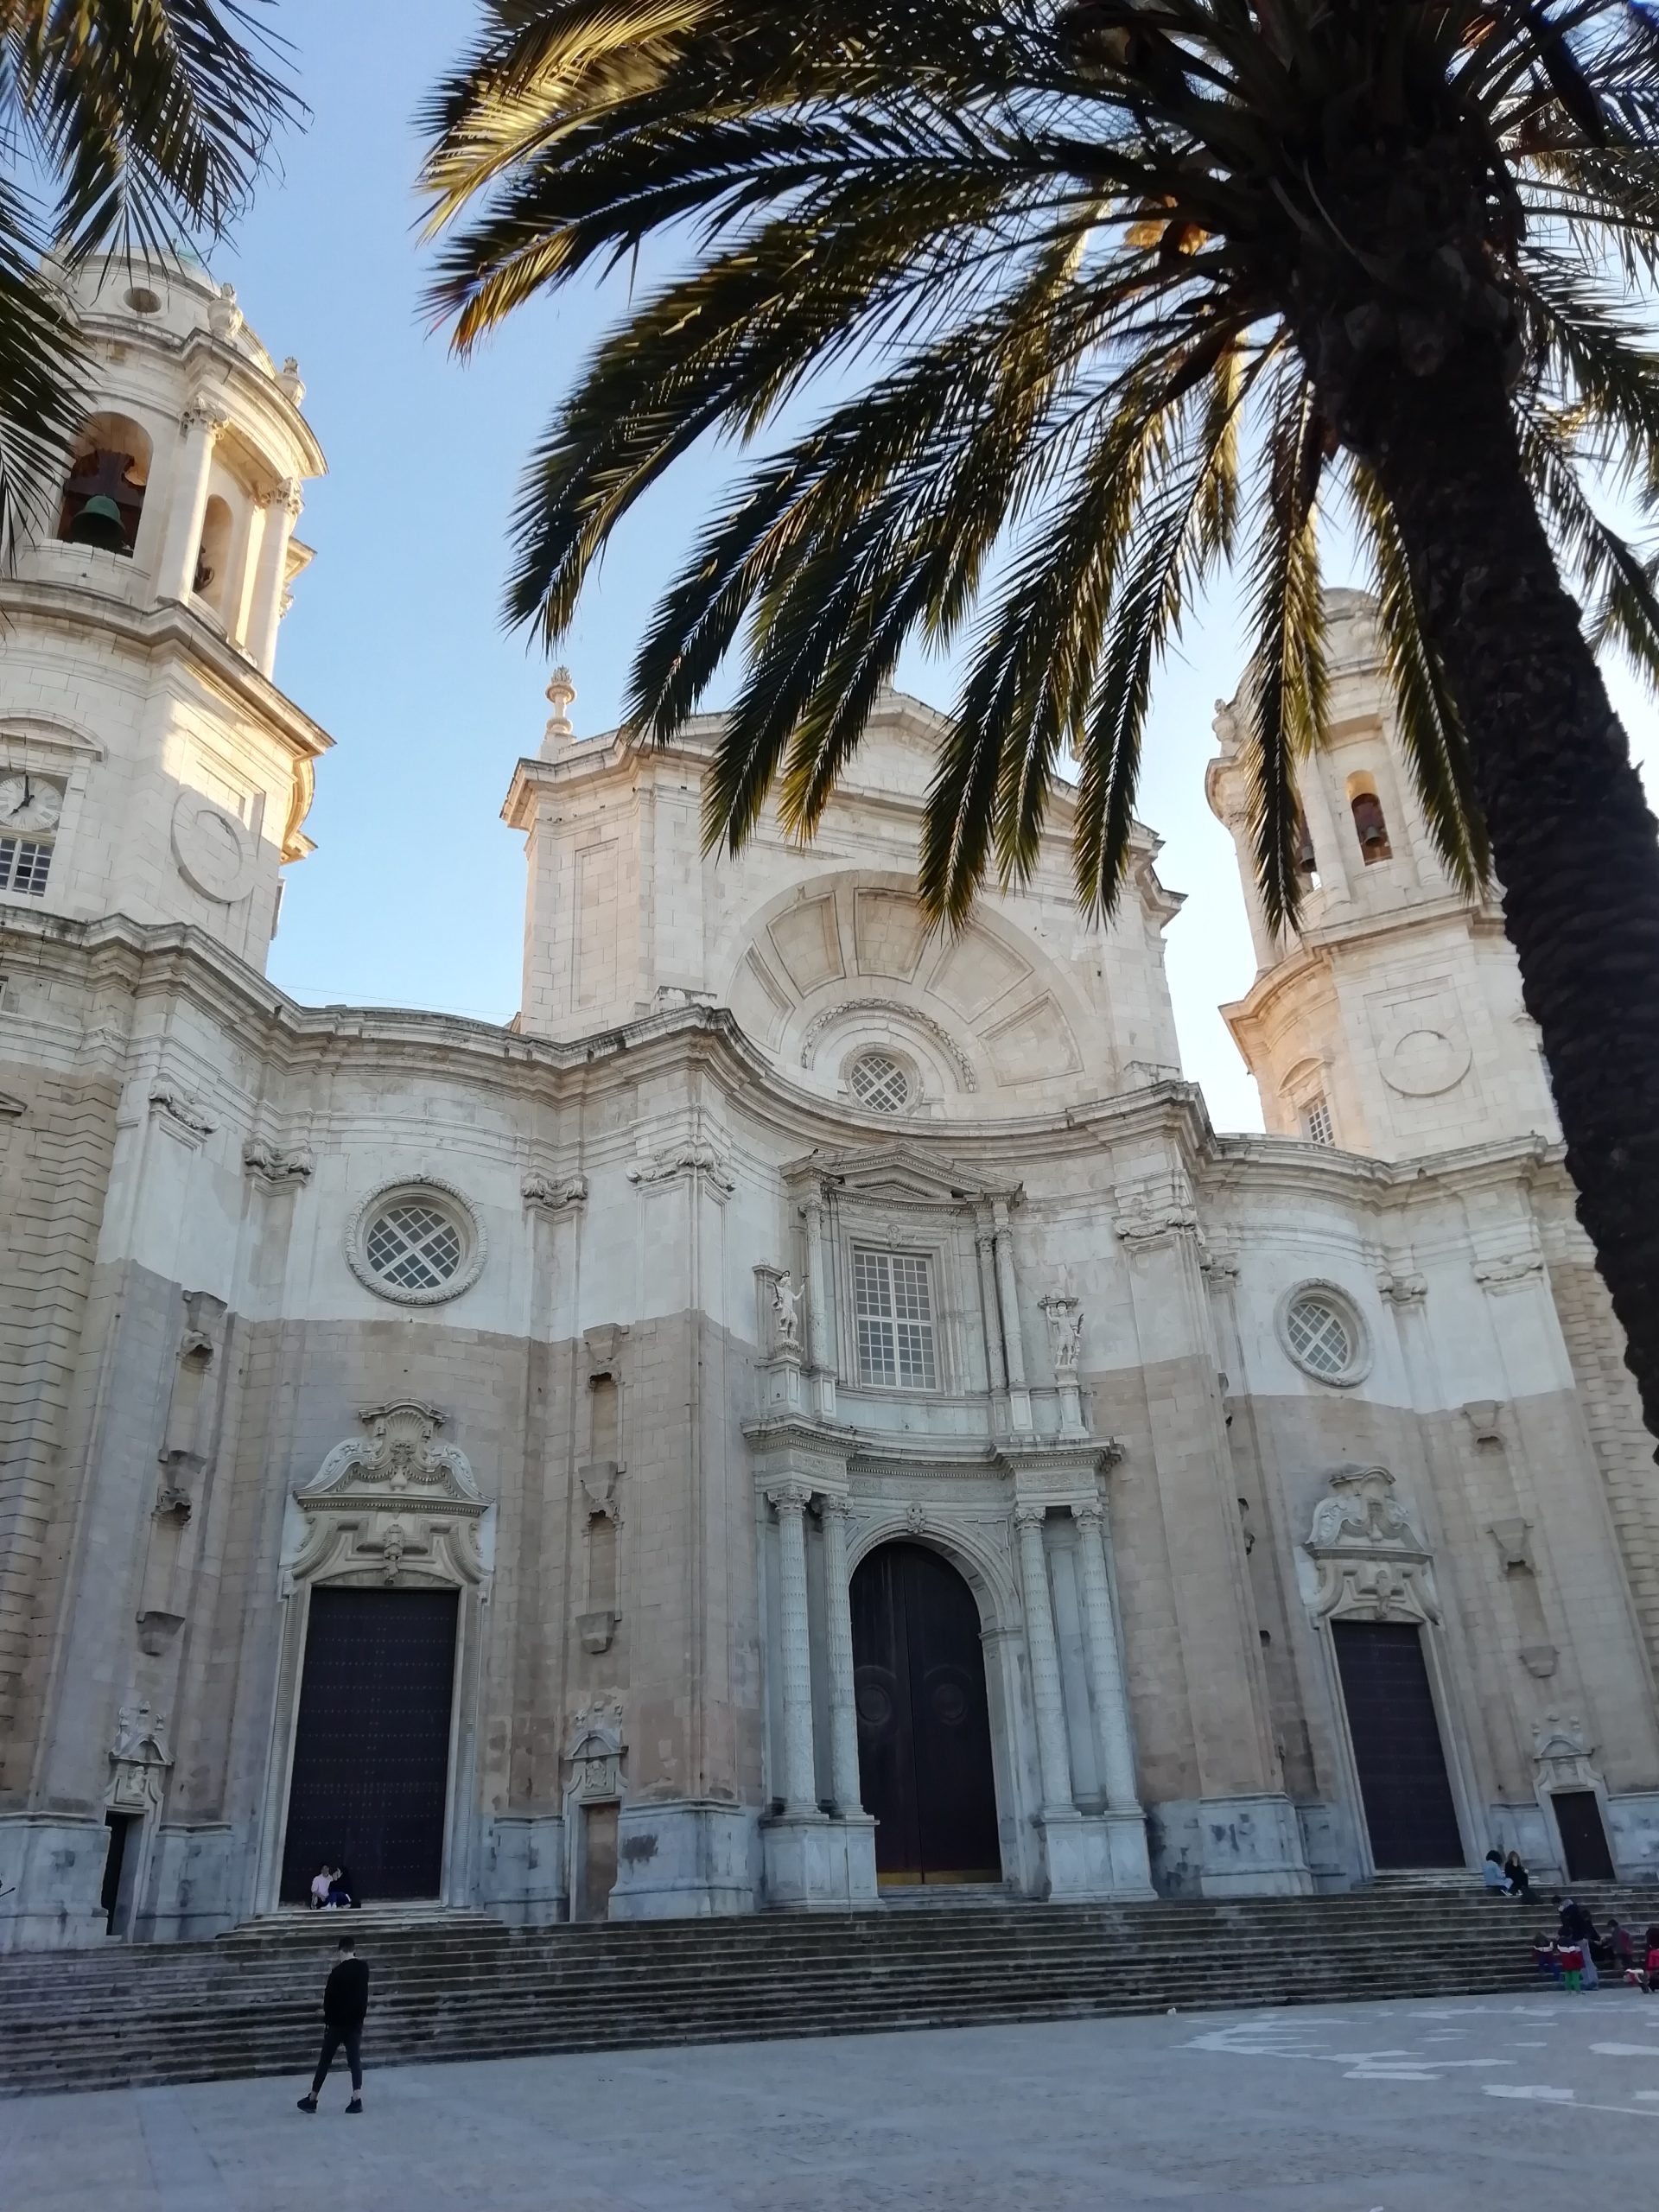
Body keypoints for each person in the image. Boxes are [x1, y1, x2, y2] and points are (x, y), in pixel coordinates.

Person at [297, 1934, 369, 2114]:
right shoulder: (363, 1969)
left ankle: (313, 2098)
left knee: (325, 2061)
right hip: (354, 2023)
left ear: (340, 1952)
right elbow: (363, 1997)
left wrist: (328, 2022)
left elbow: (328, 2001)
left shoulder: (336, 1973)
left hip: (337, 2025)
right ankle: (356, 2097)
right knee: (354, 2060)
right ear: (353, 1950)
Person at [1555, 1896, 1600, 1987]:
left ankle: (1589, 1980)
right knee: (1586, 1960)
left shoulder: (1568, 1913)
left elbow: (1567, 1925)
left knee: (1583, 1960)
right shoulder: (1575, 1910)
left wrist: (1561, 1914)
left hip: (1577, 1938)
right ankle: (1592, 1980)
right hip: (1582, 1937)